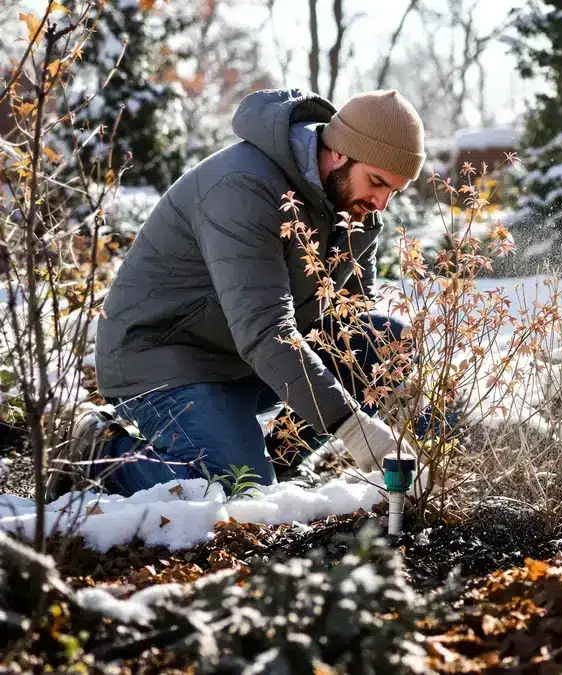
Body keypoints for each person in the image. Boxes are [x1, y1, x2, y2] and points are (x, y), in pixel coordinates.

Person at [49, 88, 425, 499]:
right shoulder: (245, 187)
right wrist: (354, 428)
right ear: (338, 153)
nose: (382, 203)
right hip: (164, 357)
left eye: (394, 191)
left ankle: (278, 465)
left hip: (241, 357)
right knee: (236, 491)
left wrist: (403, 406)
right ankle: (96, 451)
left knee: (386, 343)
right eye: (377, 182)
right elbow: (267, 331)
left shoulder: (351, 207)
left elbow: (348, 321)